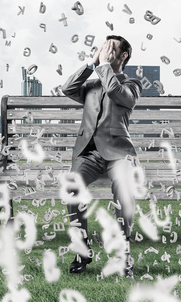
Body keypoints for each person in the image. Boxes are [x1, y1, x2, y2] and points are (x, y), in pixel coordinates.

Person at [60, 35, 143, 277]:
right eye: (103, 47)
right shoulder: (91, 86)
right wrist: (91, 63)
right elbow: (67, 89)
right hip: (89, 154)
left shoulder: (132, 84)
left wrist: (105, 66)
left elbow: (117, 93)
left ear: (123, 56)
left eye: (111, 48)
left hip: (119, 154)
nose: (105, 50)